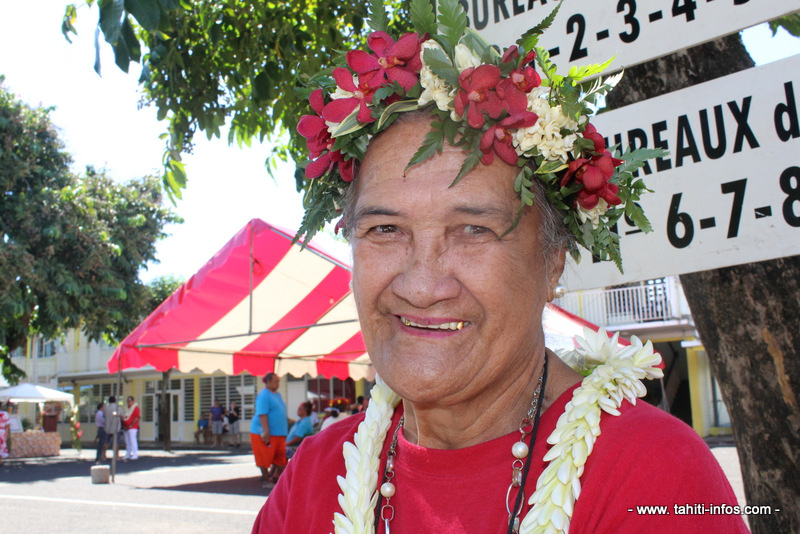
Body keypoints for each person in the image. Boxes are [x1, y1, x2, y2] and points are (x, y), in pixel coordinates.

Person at [252, 2, 749, 532]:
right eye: (385, 230)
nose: (421, 286)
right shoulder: (316, 474)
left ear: (552, 262)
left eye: (473, 231)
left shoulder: (655, 477)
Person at [250, 373, 288, 489]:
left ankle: (279, 479)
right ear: (268, 382)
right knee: (264, 457)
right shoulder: (264, 395)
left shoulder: (277, 394)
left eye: (278, 381)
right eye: (276, 381)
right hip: (264, 432)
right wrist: (266, 431)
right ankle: (266, 480)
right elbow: (262, 414)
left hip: (279, 433)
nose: (278, 383)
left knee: (281, 459)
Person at [101, 396, 120, 462]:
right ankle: (117, 456)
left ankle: (104, 455)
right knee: (116, 442)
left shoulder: (106, 408)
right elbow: (121, 415)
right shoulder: (117, 407)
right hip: (115, 427)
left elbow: (103, 416)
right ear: (115, 401)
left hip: (107, 427)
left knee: (106, 442)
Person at [122, 396, 140, 460]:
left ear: (133, 401)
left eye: (130, 401)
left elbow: (137, 417)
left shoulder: (136, 408)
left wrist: (130, 425)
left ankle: (135, 454)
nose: (128, 402)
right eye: (127, 401)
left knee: (133, 441)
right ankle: (128, 453)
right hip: (126, 427)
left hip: (132, 427)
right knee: (127, 441)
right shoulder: (127, 408)